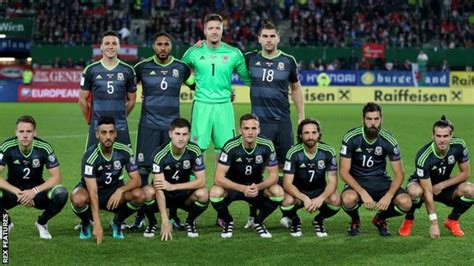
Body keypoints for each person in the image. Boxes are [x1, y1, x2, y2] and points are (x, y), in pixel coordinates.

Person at [129, 32, 194, 231]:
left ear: (171, 46)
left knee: (172, 172)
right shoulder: (141, 67)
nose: (163, 48)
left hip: (172, 129)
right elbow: (127, 88)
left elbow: (197, 86)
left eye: (166, 44)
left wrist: (227, 93)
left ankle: (173, 215)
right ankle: (142, 216)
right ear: (153, 46)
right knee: (143, 172)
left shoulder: (181, 68)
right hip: (148, 126)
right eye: (159, 44)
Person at [244, 21, 305, 229]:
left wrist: (301, 116)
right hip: (260, 124)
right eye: (265, 36)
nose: (269, 40)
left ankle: (288, 213)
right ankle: (253, 215)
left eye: (272, 36)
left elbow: (296, 88)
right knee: (256, 169)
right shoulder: (250, 58)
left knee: (285, 168)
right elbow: (225, 62)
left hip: (283, 123)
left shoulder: (288, 61)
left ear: (278, 38)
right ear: (259, 39)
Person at [182, 13, 250, 159]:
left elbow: (249, 79)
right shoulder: (194, 52)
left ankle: (221, 182)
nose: (214, 31)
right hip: (201, 105)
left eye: (217, 28)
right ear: (205, 30)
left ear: (222, 30)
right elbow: (178, 73)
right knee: (197, 150)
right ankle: (198, 182)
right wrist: (193, 85)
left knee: (226, 149)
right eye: (211, 28)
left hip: (224, 106)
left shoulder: (234, 53)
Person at [340, 102, 412, 237]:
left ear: (381, 120)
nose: (373, 123)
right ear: (363, 120)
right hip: (357, 182)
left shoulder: (388, 140)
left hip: (381, 181)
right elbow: (344, 171)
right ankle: (355, 220)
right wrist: (362, 192)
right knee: (348, 199)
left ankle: (380, 219)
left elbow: (399, 173)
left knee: (406, 203)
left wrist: (389, 196)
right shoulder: (351, 138)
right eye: (369, 119)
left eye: (376, 119)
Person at [70, 116, 145, 244]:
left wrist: (120, 190)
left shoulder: (124, 151)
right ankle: (86, 222)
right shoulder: (90, 156)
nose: (108, 136)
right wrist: (97, 224)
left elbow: (137, 180)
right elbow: (93, 192)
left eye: (111, 132)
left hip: (114, 193)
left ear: (115, 134)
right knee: (77, 199)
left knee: (140, 195)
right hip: (92, 193)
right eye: (104, 132)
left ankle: (117, 222)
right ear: (97, 134)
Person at [210, 114, 284, 238]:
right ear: (240, 130)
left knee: (278, 191)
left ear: (259, 130)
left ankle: (258, 222)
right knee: (215, 192)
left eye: (254, 129)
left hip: (256, 187)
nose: (250, 132)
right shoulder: (231, 146)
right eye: (246, 128)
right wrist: (242, 188)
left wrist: (258, 187)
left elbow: (273, 176)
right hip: (234, 187)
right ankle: (228, 221)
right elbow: (218, 177)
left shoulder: (266, 145)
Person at [398, 115, 473, 238]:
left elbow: (465, 173)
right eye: (438, 136)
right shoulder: (424, 157)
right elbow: (428, 191)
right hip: (422, 185)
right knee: (413, 192)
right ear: (433, 135)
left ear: (451, 135)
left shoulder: (459, 145)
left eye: (445, 136)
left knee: (471, 190)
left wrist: (441, 185)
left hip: (443, 185)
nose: (442, 140)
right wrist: (434, 223)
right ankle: (409, 219)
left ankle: (452, 220)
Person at [0, 115, 68, 239]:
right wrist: (18, 192)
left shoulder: (44, 147)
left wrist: (33, 191)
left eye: (28, 131)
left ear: (34, 133)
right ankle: (6, 223)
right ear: (16, 132)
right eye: (21, 131)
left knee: (61, 192)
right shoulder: (7, 146)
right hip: (13, 192)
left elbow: (56, 177)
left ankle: (42, 223)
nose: (25, 135)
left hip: (37, 193)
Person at [142, 118, 208, 240]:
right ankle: (152, 223)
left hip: (183, 196)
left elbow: (202, 181)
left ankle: (190, 222)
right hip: (163, 195)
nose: (181, 138)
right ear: (170, 134)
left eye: (184, 134)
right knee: (147, 192)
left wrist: (173, 187)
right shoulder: (159, 154)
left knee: (203, 194)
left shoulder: (194, 150)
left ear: (189, 136)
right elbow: (159, 188)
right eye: (177, 134)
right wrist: (165, 220)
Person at [281, 119, 340, 237]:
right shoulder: (293, 153)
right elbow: (287, 183)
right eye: (306, 133)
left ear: (319, 134)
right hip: (299, 192)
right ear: (300, 135)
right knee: (286, 201)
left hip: (319, 190)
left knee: (336, 200)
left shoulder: (328, 151)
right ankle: (295, 220)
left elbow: (333, 182)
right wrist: (305, 198)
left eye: (314, 133)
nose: (310, 136)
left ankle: (319, 220)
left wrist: (321, 198)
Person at [79, 30, 137, 149]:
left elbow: (132, 100)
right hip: (97, 127)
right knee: (91, 163)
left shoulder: (128, 70)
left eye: (114, 44)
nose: (110, 47)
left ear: (119, 46)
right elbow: (82, 99)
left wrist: (121, 116)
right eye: (107, 43)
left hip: (120, 127)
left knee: (124, 163)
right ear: (101, 46)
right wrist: (90, 122)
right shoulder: (90, 70)